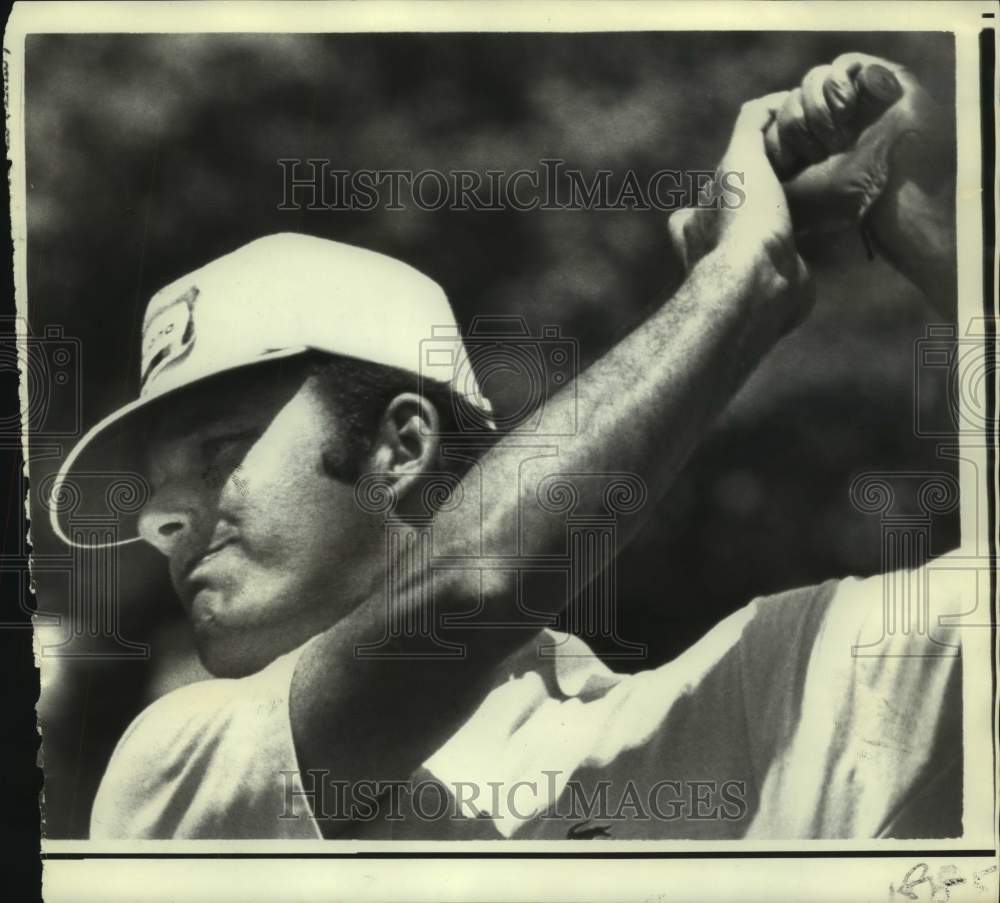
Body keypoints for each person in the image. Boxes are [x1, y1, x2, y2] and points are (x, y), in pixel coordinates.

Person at [50, 53, 965, 840]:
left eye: (216, 452)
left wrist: (942, 240)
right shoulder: (169, 775)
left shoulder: (764, 697)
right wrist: (742, 278)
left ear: (400, 445)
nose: (160, 519)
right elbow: (472, 586)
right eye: (156, 493)